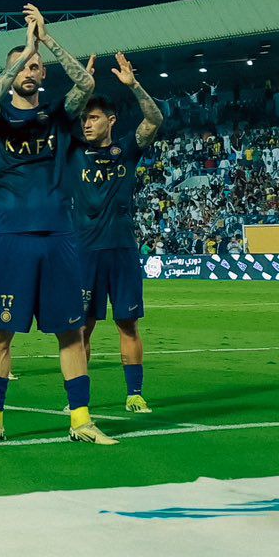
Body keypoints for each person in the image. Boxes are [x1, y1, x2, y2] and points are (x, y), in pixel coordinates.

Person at [0, 4, 114, 446]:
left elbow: (87, 83)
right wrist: (22, 51)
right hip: (11, 238)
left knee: (71, 330)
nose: (31, 70)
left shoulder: (59, 115)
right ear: (9, 72)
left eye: (36, 67)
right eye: (22, 66)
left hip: (59, 238)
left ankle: (81, 421)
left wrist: (45, 40)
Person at [71, 53, 164, 412]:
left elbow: (155, 118)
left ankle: (135, 393)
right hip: (84, 252)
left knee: (128, 323)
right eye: (84, 119)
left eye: (92, 118)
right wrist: (82, 88)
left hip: (122, 250)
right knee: (81, 329)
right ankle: (79, 400)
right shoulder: (74, 152)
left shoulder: (126, 149)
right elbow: (59, 120)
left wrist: (134, 85)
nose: (86, 124)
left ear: (111, 120)